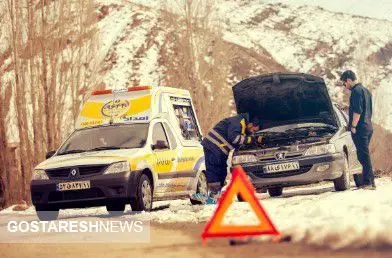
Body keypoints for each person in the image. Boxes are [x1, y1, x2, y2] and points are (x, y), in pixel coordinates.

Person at [191, 113, 262, 204]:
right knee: (215, 169)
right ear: (251, 124)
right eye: (253, 130)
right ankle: (214, 194)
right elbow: (234, 138)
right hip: (214, 146)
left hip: (219, 148)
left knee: (222, 170)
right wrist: (252, 139)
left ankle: (215, 193)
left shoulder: (243, 124)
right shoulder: (238, 122)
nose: (252, 132)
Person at [340, 70, 375, 190]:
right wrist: (348, 107)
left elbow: (358, 111)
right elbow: (364, 108)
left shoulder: (355, 92)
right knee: (363, 155)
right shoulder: (366, 91)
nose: (345, 87)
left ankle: (369, 183)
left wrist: (353, 126)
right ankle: (370, 182)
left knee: (363, 156)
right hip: (368, 126)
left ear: (348, 80)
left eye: (344, 84)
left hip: (360, 128)